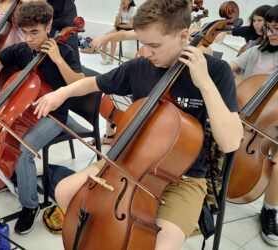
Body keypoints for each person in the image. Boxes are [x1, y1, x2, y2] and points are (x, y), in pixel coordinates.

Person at [34, 0, 243, 249]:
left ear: (183, 36)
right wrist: (61, 94)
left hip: (182, 177)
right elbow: (92, 83)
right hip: (129, 161)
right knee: (64, 192)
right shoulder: (139, 67)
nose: (145, 53)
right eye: (143, 44)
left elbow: (230, 142)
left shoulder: (216, 71)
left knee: (160, 245)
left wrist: (204, 83)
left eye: (154, 45)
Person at [0, 1, 84, 234]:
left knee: (23, 153)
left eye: (35, 32)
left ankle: (30, 205)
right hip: (25, 111)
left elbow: (80, 84)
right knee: (3, 138)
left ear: (49, 26)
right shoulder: (23, 50)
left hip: (54, 115)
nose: (29, 39)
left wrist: (58, 60)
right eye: (24, 33)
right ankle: (12, 179)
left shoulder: (65, 51)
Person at [230, 5, 278, 246]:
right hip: (245, 117)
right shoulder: (256, 51)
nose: (270, 33)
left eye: (277, 29)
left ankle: (270, 210)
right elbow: (233, 66)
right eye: (269, 28)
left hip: (273, 127)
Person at [99, 0, 137, 65]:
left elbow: (131, 25)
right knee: (106, 35)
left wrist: (119, 25)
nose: (123, 1)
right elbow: (115, 24)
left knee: (114, 37)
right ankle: (103, 54)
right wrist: (120, 11)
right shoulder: (120, 8)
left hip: (130, 29)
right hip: (120, 27)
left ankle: (111, 58)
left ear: (130, 1)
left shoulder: (133, 9)